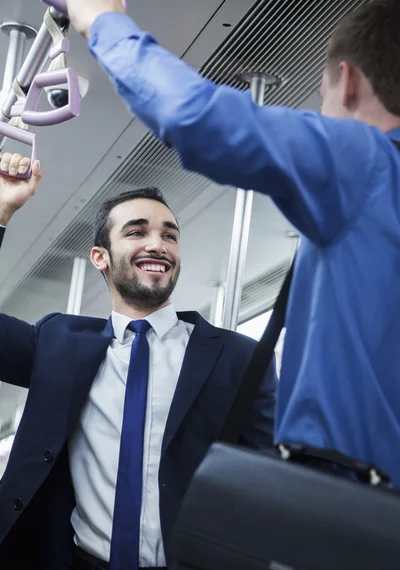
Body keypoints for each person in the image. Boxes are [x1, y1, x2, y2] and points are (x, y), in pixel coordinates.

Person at [63, 0, 400, 485]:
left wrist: (101, 21)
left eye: (321, 98)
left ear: (347, 82)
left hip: (348, 515)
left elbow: (195, 114)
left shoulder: (367, 162)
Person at [0, 171, 277, 570]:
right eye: (136, 232)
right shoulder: (58, 345)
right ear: (100, 257)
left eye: (170, 235)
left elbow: (268, 479)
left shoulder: (241, 358)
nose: (157, 244)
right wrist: (2, 212)